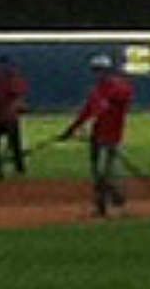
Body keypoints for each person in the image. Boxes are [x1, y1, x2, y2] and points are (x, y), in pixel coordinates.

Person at [55, 53, 135, 217]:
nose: (98, 74)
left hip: (113, 137)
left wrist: (105, 102)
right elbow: (86, 112)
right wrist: (71, 130)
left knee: (109, 172)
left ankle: (114, 200)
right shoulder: (97, 91)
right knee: (97, 172)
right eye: (96, 70)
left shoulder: (119, 89)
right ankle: (102, 205)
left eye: (100, 70)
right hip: (97, 136)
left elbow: (120, 100)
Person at [0, 54, 30, 178]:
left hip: (1, 115)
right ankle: (16, 168)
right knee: (11, 143)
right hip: (6, 116)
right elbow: (19, 96)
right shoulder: (12, 77)